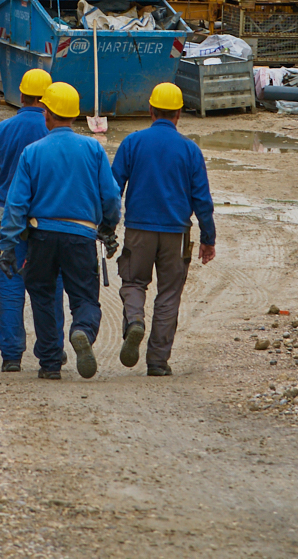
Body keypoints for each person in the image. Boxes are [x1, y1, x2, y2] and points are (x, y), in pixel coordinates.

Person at [0, 81, 121, 380]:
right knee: (84, 298)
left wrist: (8, 244)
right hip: (81, 237)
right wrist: (108, 226)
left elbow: (16, 205)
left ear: (47, 115)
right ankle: (81, 330)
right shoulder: (93, 148)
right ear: (75, 115)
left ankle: (51, 363)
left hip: (41, 236)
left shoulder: (32, 152)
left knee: (41, 295)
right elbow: (111, 196)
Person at [110, 82, 217, 376]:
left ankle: (135, 321)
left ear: (150, 109)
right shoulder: (190, 150)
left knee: (133, 283)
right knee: (169, 294)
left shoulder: (132, 143)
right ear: (179, 113)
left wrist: (106, 224)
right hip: (177, 234)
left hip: (138, 231)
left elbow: (112, 189)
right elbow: (202, 200)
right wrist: (208, 238)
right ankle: (157, 362)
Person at [0, 68, 63, 372]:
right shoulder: (53, 130)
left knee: (11, 284)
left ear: (22, 94)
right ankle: (51, 353)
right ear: (49, 98)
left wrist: (0, 200)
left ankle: (11, 357)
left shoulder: (3, 129)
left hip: (7, 218)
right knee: (51, 286)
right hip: (47, 221)